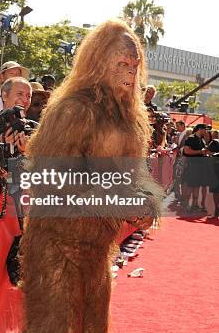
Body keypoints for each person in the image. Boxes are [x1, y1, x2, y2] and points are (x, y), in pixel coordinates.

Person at [21, 19, 162, 332]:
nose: (130, 73)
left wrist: (146, 204)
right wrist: (116, 201)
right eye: (122, 63)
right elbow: (48, 180)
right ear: (100, 63)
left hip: (97, 251)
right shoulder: (73, 110)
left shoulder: (132, 119)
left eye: (134, 65)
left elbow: (134, 179)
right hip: (57, 247)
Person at [182, 123, 209, 212]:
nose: (206, 131)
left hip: (199, 167)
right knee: (190, 186)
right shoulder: (191, 138)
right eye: (205, 129)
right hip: (192, 166)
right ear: (200, 129)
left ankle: (195, 204)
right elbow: (187, 151)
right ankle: (186, 205)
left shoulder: (201, 140)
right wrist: (200, 152)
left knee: (196, 186)